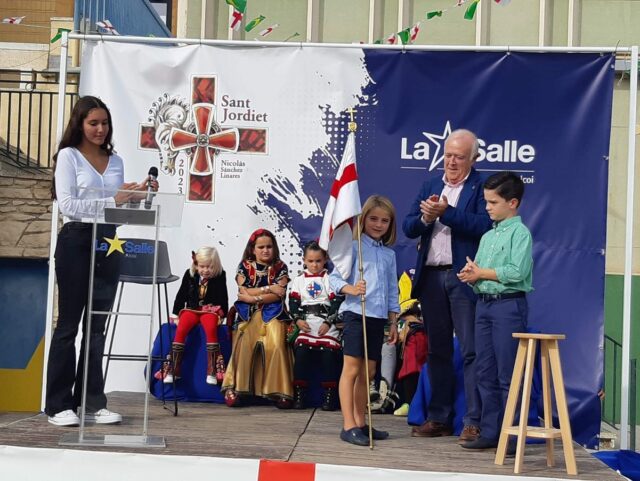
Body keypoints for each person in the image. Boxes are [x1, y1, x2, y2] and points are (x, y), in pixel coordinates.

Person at [46, 95, 158, 426]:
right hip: (76, 240)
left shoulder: (116, 160)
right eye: (93, 123)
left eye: (104, 123)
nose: (100, 129)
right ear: (79, 124)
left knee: (97, 326)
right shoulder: (68, 156)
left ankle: (92, 401)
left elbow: (116, 211)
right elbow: (68, 205)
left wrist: (138, 196)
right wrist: (114, 198)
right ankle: (58, 405)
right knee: (69, 324)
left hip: (109, 241)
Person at [402, 129, 492, 443]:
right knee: (437, 350)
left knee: (470, 351)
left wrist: (447, 214)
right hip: (430, 277)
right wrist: (426, 219)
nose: (452, 162)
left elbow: (485, 225)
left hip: (462, 276)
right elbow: (408, 225)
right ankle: (438, 417)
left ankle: (473, 421)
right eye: (448, 155)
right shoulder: (430, 184)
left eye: (459, 157)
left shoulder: (482, 186)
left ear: (473, 158)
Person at [457, 171, 533, 450]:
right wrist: (472, 275)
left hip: (508, 306)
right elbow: (481, 271)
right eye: (486, 201)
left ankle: (511, 435)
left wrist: (482, 273)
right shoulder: (488, 236)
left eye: (493, 202)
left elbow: (517, 271)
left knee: (508, 373)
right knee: (484, 371)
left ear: (512, 203)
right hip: (484, 305)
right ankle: (490, 431)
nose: (487, 207)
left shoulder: (520, 233)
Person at [330, 195, 400, 446]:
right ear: (363, 219)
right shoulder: (353, 247)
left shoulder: (389, 255)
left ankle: (360, 422)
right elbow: (334, 279)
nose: (378, 224)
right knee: (351, 368)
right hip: (355, 314)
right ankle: (348, 424)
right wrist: (350, 288)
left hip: (377, 318)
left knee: (368, 372)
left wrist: (393, 320)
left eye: (384, 221)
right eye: (373, 219)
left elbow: (392, 289)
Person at [221, 228, 293, 408]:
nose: (265, 250)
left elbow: (279, 295)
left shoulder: (281, 266)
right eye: (261, 247)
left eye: (269, 246)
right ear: (253, 249)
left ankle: (280, 390)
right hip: (248, 313)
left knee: (277, 342)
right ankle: (235, 387)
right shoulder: (244, 266)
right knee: (244, 342)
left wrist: (254, 298)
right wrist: (268, 288)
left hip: (274, 312)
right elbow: (243, 291)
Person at [160, 246, 228, 385]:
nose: (205, 270)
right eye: (202, 266)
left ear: (216, 266)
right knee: (182, 328)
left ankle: (212, 371)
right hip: (191, 309)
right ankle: (173, 369)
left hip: (209, 310)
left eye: (210, 267)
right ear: (196, 265)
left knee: (211, 328)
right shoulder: (189, 274)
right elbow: (181, 294)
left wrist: (222, 313)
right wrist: (176, 314)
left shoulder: (220, 276)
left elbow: (223, 296)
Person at [288, 241, 342, 411]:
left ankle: (330, 395)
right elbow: (293, 303)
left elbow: (336, 302)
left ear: (325, 259)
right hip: (307, 323)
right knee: (302, 350)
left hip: (326, 323)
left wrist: (328, 322)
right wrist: (298, 320)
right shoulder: (299, 280)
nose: (314, 265)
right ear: (304, 260)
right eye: (310, 261)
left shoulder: (330, 278)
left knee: (328, 352)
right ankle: (299, 393)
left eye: (318, 261)